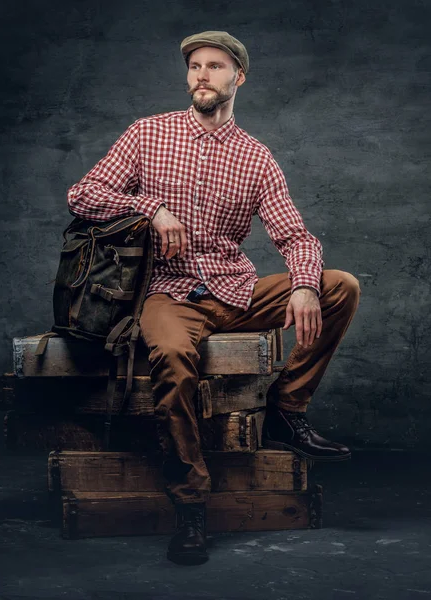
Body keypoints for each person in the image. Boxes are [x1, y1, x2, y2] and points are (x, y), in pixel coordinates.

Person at [67, 31, 361, 566]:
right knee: (175, 361)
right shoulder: (148, 134)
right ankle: (191, 506)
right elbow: (83, 194)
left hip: (235, 289)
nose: (202, 74)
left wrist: (301, 282)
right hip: (167, 293)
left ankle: (286, 410)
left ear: (237, 78)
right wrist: (151, 209)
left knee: (338, 285)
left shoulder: (256, 157)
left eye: (216, 66)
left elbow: (295, 236)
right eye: (195, 65)